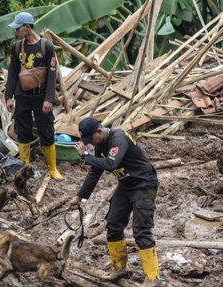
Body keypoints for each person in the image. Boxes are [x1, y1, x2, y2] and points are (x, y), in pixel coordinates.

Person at [68, 117, 161, 286]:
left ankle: (153, 278)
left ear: (99, 131)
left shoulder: (119, 138)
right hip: (126, 185)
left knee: (141, 230)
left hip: (144, 184)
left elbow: (111, 164)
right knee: (113, 225)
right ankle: (118, 268)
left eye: (92, 140)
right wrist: (80, 196)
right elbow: (95, 172)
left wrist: (86, 156)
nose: (92, 144)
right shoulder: (100, 145)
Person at [4, 12, 63, 180]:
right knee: (22, 130)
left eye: (18, 28)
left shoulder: (47, 47)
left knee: (46, 129)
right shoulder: (16, 48)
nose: (16, 31)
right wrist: (9, 96)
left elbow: (52, 74)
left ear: (27, 27)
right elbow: (13, 74)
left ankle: (52, 168)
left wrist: (48, 99)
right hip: (22, 95)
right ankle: (25, 167)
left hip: (41, 96)